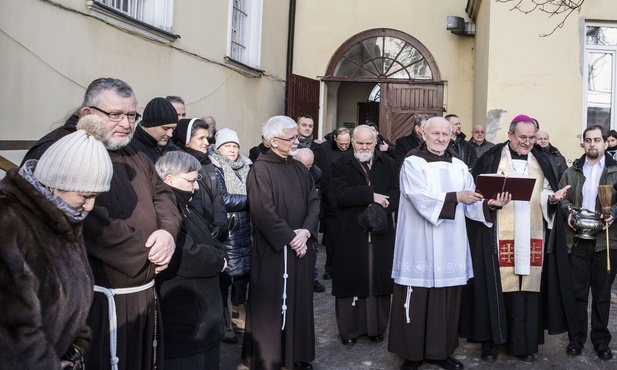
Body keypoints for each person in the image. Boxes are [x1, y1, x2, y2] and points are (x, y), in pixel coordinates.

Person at [388, 117, 510, 370]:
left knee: (446, 301)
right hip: (417, 243)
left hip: (450, 246)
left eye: (446, 134)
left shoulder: (458, 166)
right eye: (436, 134)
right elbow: (419, 198)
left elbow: (471, 200)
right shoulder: (412, 162)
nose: (441, 139)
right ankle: (412, 355)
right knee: (417, 298)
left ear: (452, 136)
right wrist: (457, 197)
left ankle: (440, 352)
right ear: (424, 133)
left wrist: (488, 205)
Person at [0, 115, 113, 370]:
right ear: (54, 184)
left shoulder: (62, 215)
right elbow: (11, 330)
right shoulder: (8, 221)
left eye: (95, 196)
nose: (90, 206)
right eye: (85, 195)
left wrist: (77, 346)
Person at [460, 114, 571, 363]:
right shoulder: (490, 158)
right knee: (495, 287)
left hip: (532, 236)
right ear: (510, 135)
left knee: (527, 290)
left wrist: (551, 200)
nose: (528, 142)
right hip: (497, 235)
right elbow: (477, 197)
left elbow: (546, 193)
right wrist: (491, 204)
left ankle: (523, 344)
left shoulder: (542, 160)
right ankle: (490, 343)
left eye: (532, 138)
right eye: (522, 137)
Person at [242, 115, 320, 370]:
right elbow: (263, 211)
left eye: (297, 136)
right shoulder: (260, 169)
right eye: (292, 138)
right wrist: (290, 238)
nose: (298, 141)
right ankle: (270, 357)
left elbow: (313, 201)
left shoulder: (298, 167)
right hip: (274, 252)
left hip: (301, 248)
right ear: (274, 141)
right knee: (271, 305)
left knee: (299, 302)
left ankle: (296, 355)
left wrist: (306, 233)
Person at [155, 151, 228, 369]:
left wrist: (219, 254)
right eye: (191, 181)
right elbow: (185, 255)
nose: (196, 187)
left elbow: (212, 241)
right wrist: (219, 261)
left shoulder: (187, 206)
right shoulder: (165, 212)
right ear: (169, 179)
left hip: (204, 320)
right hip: (186, 325)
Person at [331, 125, 399, 346]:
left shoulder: (388, 163)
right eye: (360, 142)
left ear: (376, 141)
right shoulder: (339, 164)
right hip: (351, 232)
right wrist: (372, 196)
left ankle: (376, 328)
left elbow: (397, 193)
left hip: (381, 233)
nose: (364, 147)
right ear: (352, 142)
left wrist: (380, 211)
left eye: (369, 143)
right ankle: (349, 330)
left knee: (377, 281)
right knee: (352, 281)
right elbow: (339, 195)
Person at [559, 125, 617, 360]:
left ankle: (601, 340)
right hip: (578, 240)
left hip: (606, 240)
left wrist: (614, 211)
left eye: (597, 140)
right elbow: (562, 198)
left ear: (605, 143)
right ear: (583, 143)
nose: (592, 144)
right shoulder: (572, 170)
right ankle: (576, 338)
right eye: (588, 140)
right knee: (578, 293)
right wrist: (568, 213)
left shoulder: (614, 170)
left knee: (602, 294)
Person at [209, 128, 254, 338]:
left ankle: (238, 312)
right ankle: (224, 318)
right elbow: (223, 199)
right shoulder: (214, 166)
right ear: (219, 148)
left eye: (235, 146)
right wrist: (253, 201)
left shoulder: (247, 164)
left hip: (248, 228)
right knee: (225, 275)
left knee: (244, 273)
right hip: (228, 230)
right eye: (227, 146)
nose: (232, 150)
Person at [315, 127, 352, 280]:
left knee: (348, 237)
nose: (344, 147)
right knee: (331, 239)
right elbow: (322, 175)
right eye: (341, 144)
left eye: (347, 144)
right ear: (335, 139)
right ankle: (330, 267)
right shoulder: (324, 149)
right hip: (330, 201)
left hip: (349, 201)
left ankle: (346, 267)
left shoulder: (353, 148)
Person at [294, 147, 326, 293]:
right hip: (294, 216)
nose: (307, 170)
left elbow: (316, 197)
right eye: (304, 166)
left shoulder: (316, 172)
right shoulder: (288, 172)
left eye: (309, 166)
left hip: (311, 216)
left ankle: (311, 279)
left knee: (313, 247)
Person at [130, 97, 179, 163]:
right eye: (165, 128)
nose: (170, 134)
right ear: (149, 125)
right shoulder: (132, 152)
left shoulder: (173, 149)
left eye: (173, 128)